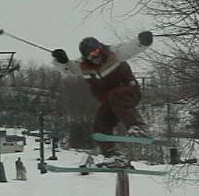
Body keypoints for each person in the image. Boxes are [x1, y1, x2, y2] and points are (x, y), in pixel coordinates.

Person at [51, 31, 153, 167]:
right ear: (86, 57)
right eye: (91, 55)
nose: (96, 56)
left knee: (116, 95)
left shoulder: (114, 53)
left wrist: (142, 42)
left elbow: (131, 47)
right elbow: (68, 69)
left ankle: (137, 127)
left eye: (97, 51)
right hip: (111, 101)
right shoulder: (83, 65)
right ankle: (112, 156)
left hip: (128, 92)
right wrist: (61, 60)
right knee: (100, 124)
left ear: (100, 47)